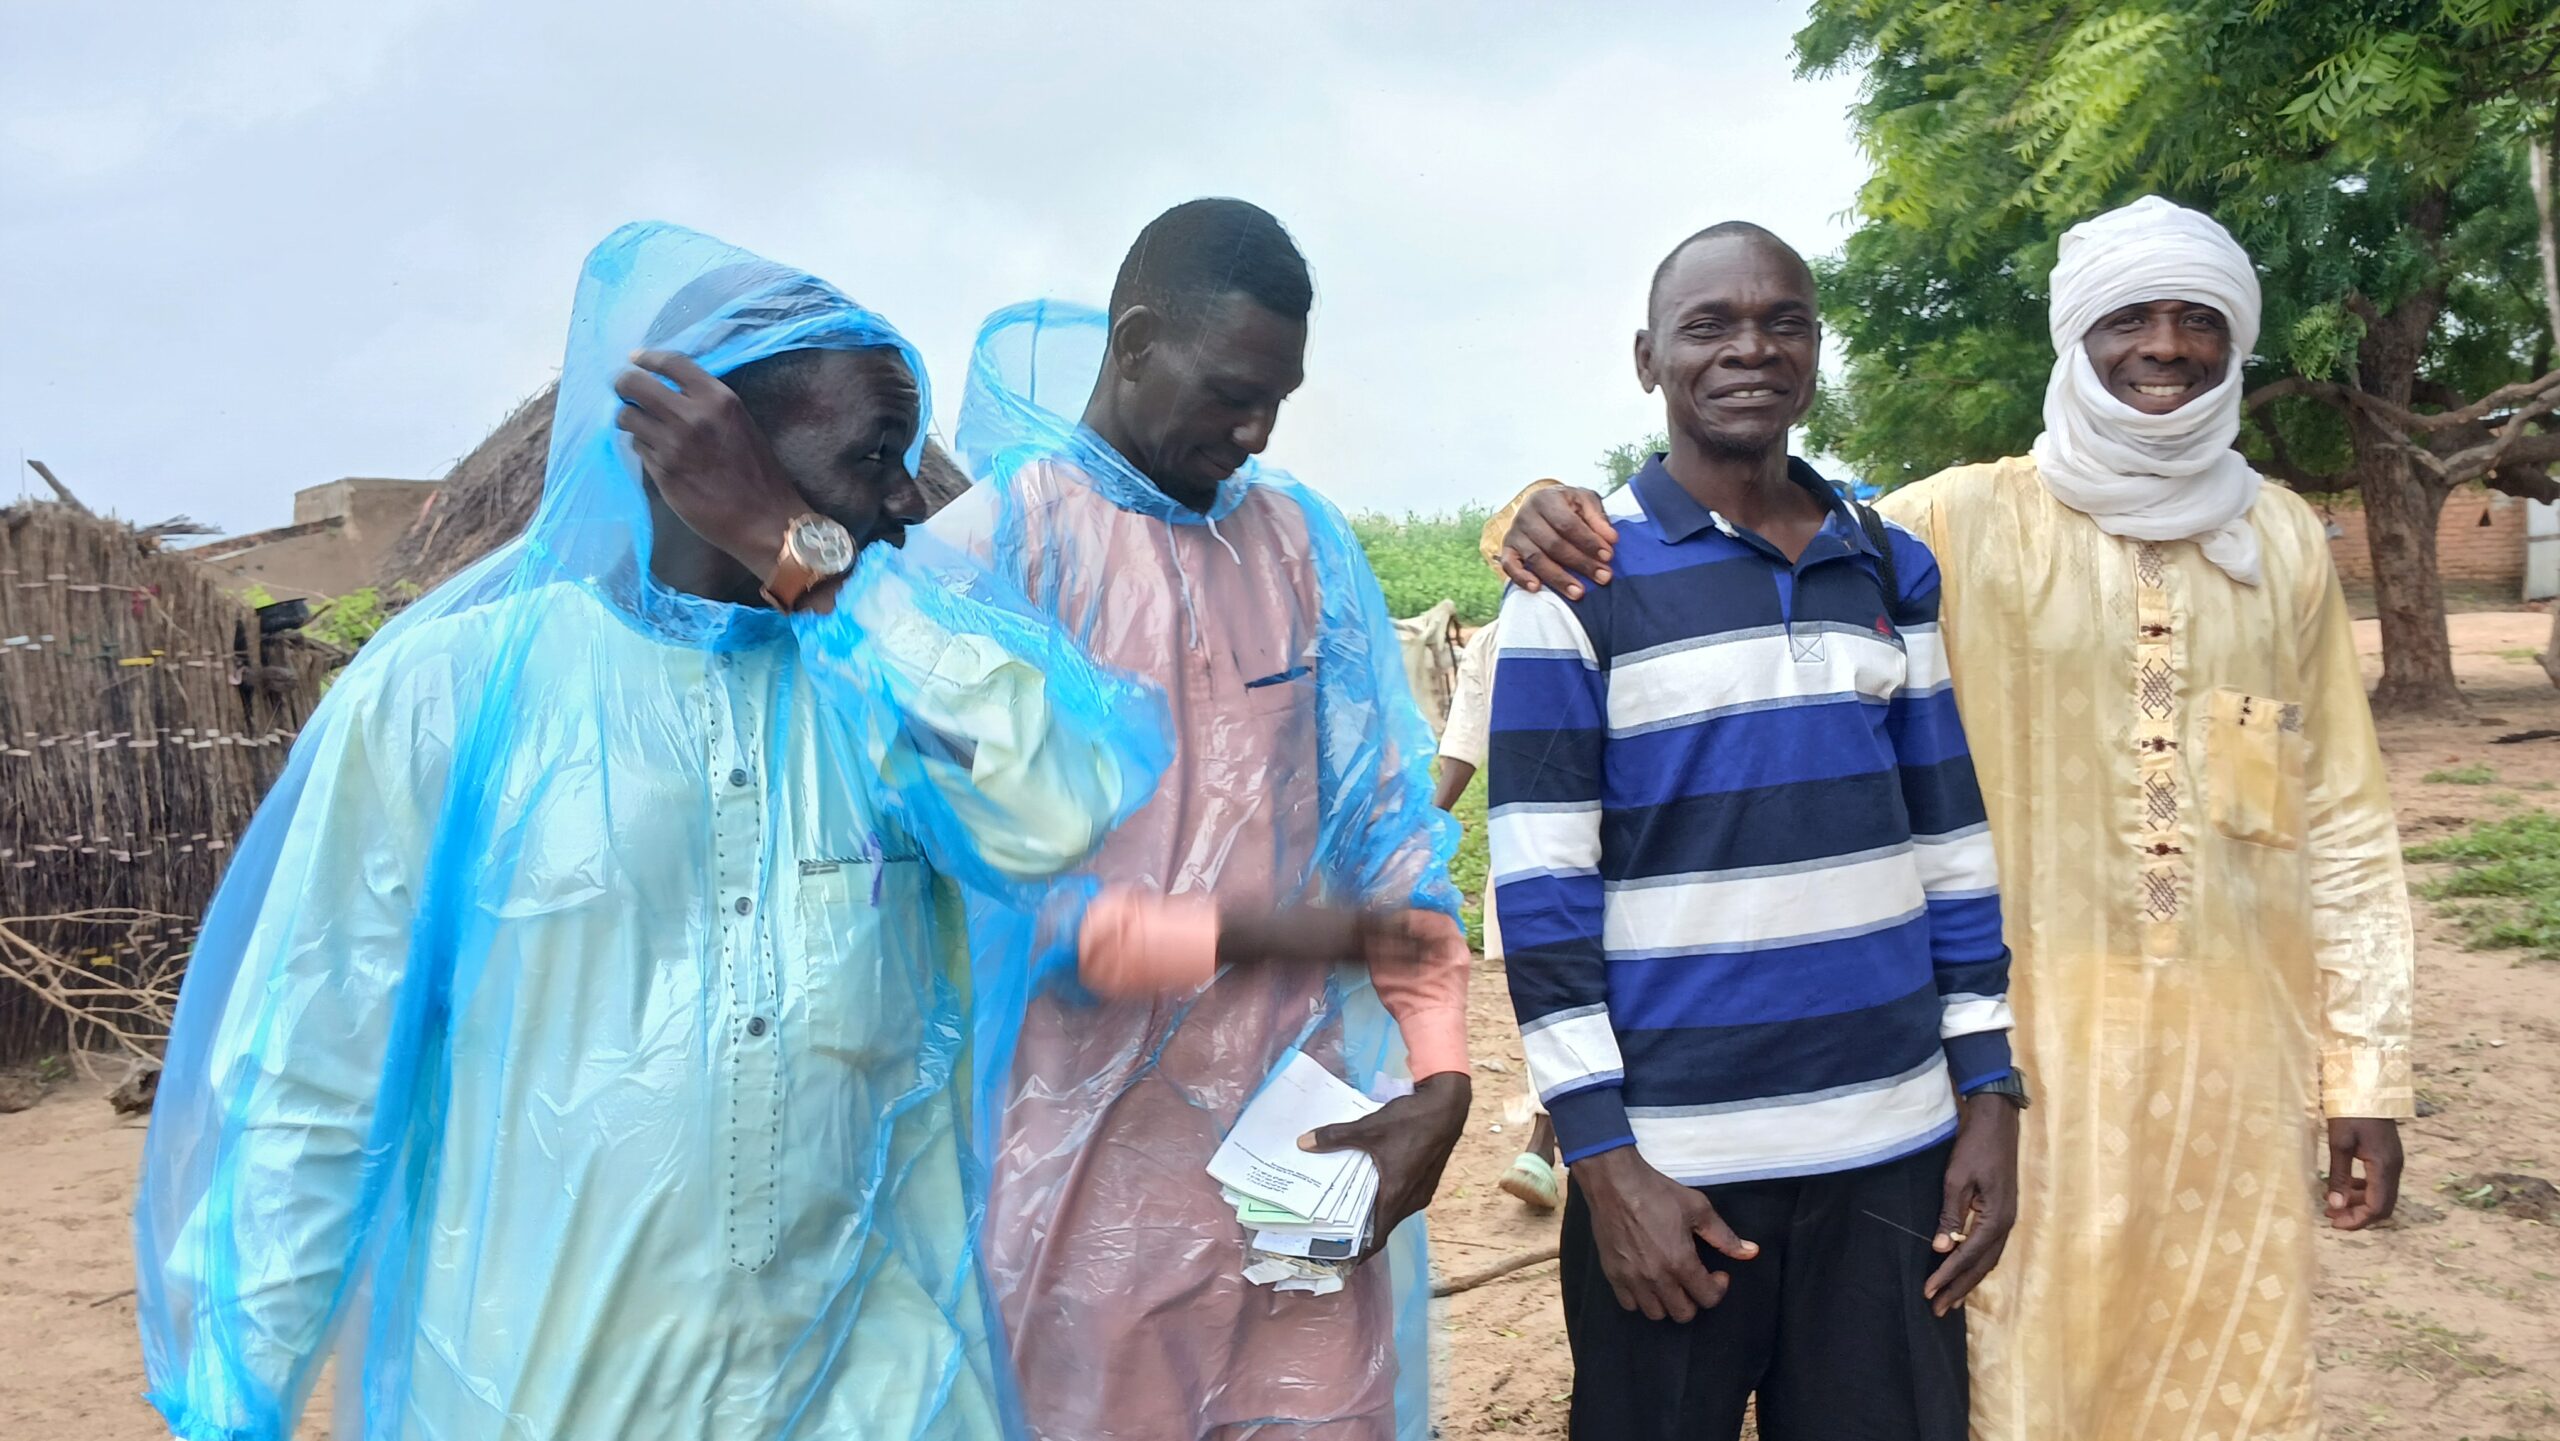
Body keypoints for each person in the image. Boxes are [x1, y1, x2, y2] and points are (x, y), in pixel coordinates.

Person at [132, 223, 1372, 1441]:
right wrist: (232, 1397)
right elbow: (311, 1075)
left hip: (870, 1388)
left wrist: (805, 558)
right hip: (543, 1390)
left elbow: (1052, 812)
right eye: (873, 452)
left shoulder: (887, 685)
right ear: (701, 455)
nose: (902, 499)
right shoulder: (456, 697)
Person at [1488, 196, 2415, 1441]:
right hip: (2014, 1069)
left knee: (2222, 1370)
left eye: (2200, 320)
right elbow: (1749, 508)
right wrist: (1537, 514)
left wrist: (2362, 1070)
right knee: (2010, 1374)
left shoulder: (2284, 542)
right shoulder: (1952, 525)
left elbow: (2339, 818)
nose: (2166, 347)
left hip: (2220, 1072)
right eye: (2126, 317)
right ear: (2071, 339)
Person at [936, 198, 1473, 1441]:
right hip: (1075, 1173)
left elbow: (1390, 832)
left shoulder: (1295, 542)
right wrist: (1274, 935)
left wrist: (1441, 1073)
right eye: (1232, 391)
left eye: (1279, 398)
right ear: (1130, 345)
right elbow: (995, 915)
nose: (1255, 429)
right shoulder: (993, 555)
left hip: (1299, 1146)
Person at [1488, 221, 2019, 1441]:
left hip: (1893, 1150)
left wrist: (1986, 1091)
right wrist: (1603, 1165)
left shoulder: (1886, 566)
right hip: (1676, 1173)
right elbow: (1543, 894)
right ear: (1646, 360)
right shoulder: (1580, 584)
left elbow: (1949, 845)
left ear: (1814, 351)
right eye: (1709, 324)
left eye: (1782, 321)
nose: (1750, 348)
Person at [1431, 490, 1558, 1212]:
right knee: (1556, 993)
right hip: (1540, 844)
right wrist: (1419, 834)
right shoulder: (1493, 641)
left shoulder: (1587, 622)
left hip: (1569, 845)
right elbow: (1461, 752)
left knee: (1564, 992)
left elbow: (1458, 759)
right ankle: (1548, 1138)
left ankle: (1546, 1141)